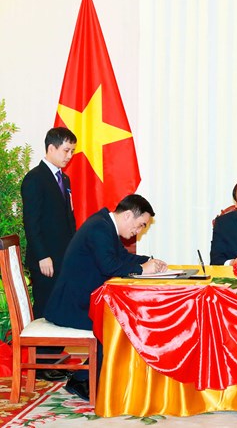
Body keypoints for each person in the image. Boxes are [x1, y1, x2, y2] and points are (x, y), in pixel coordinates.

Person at [44, 194, 168, 400]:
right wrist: (142, 269)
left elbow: (121, 257)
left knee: (122, 318)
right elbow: (109, 266)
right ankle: (82, 380)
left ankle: (94, 376)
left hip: (81, 301)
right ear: (128, 215)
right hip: (70, 307)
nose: (138, 231)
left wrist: (150, 261)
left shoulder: (104, 225)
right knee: (116, 322)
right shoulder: (99, 228)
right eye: (140, 225)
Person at [20, 127, 77, 382]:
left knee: (58, 305)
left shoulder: (65, 179)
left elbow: (68, 219)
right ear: (51, 148)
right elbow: (31, 223)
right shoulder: (35, 178)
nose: (69, 156)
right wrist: (43, 255)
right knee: (45, 305)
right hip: (45, 259)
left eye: (72, 151)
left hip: (63, 256)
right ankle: (42, 363)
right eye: (66, 150)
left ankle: (54, 357)